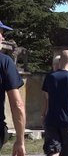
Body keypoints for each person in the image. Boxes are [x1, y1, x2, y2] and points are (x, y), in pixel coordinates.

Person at [0, 21, 26, 156]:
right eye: (0, 33)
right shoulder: (4, 62)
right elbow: (17, 105)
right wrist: (20, 141)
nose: (2, 38)